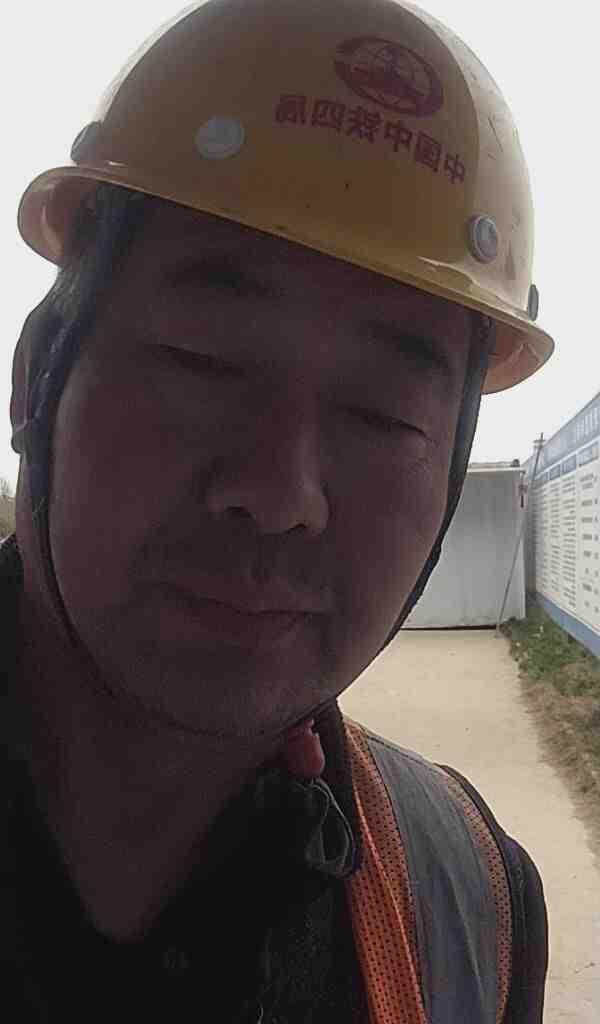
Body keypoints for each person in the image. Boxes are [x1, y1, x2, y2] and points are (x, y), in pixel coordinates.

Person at [5, 0, 552, 1020]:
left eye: (384, 415)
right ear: (37, 376)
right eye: (202, 361)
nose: (280, 493)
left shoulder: (468, 906)